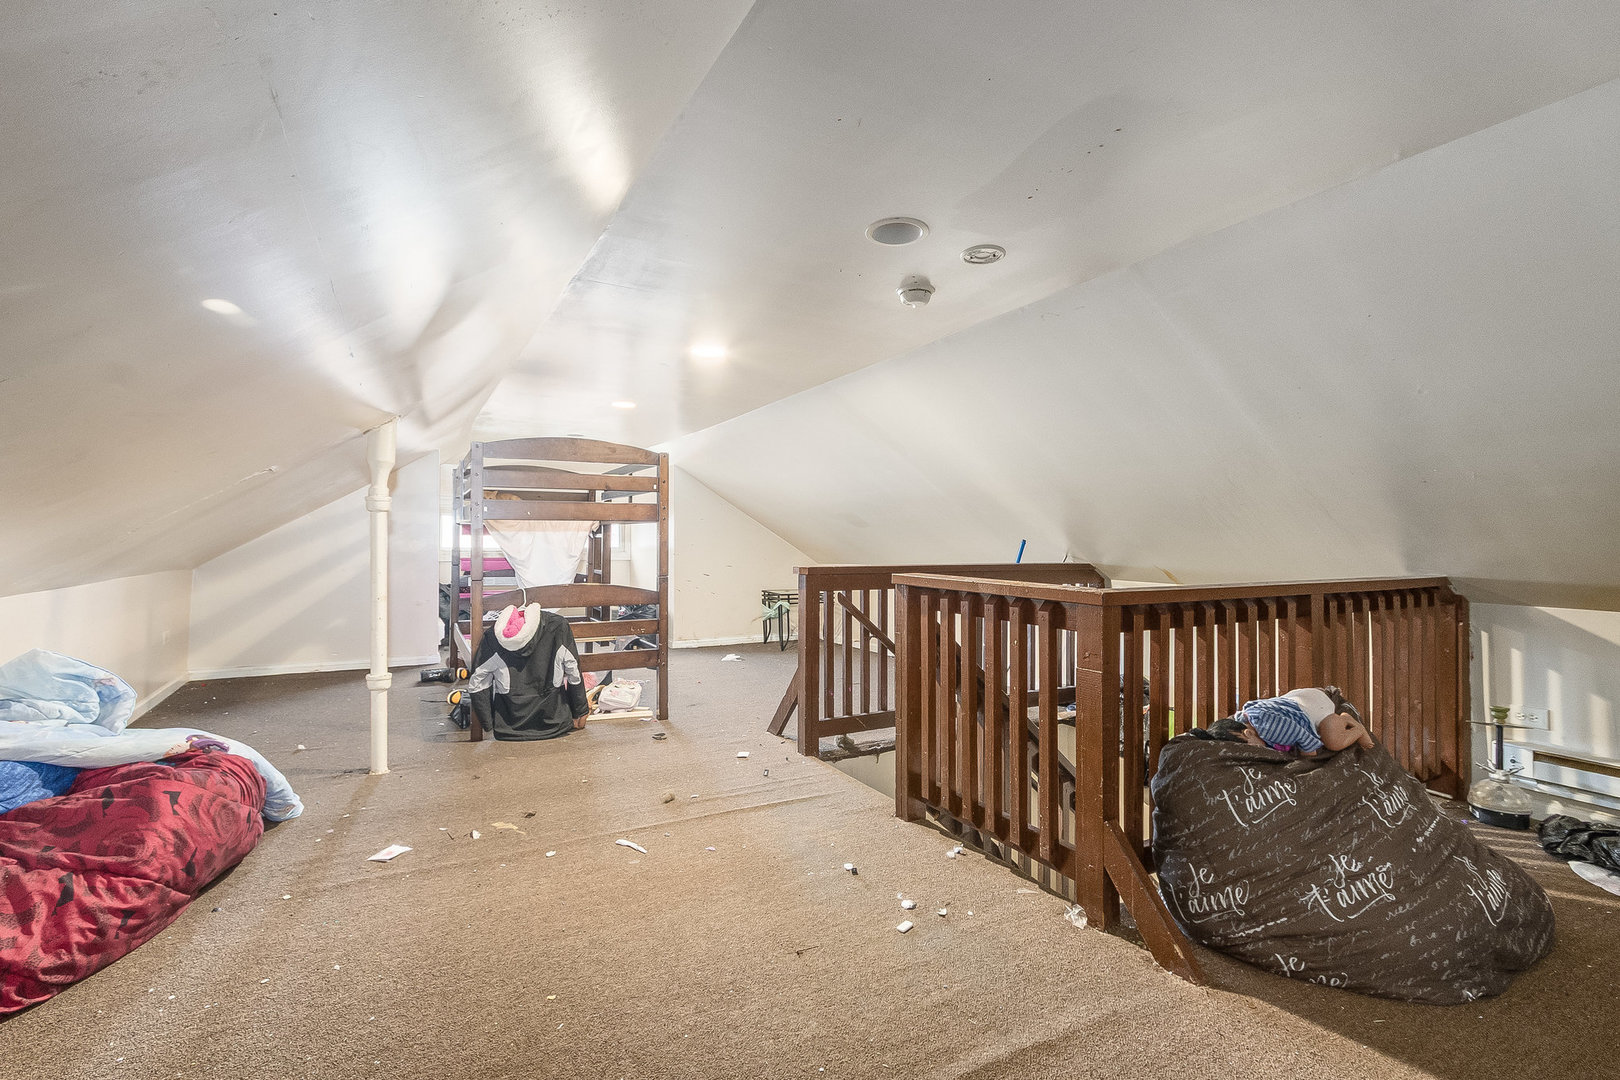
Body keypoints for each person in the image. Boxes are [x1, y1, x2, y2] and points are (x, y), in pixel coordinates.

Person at [1230, 687, 1374, 755]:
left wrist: (1305, 761)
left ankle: (1352, 725)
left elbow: (1308, 745)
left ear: (1248, 733)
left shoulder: (1271, 728)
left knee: (1333, 742)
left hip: (1317, 706)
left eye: (1250, 747)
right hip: (1296, 698)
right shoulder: (1241, 718)